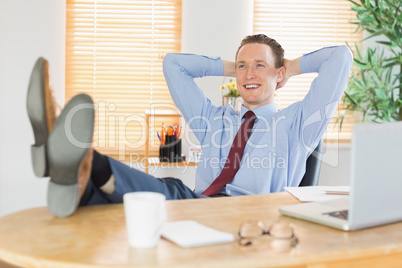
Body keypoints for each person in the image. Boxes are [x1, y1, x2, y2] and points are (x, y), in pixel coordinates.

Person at [27, 34, 353, 217]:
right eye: (243, 67)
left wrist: (288, 67)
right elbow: (174, 65)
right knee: (137, 205)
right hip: (197, 205)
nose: (249, 74)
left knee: (169, 192)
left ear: (278, 74)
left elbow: (339, 57)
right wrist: (236, 67)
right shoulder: (215, 119)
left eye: (259, 67)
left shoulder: (297, 123)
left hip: (248, 216)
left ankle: (80, 159)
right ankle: (80, 181)